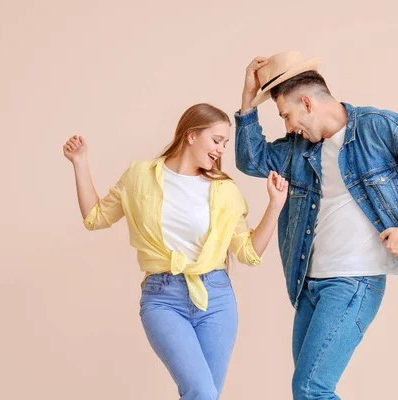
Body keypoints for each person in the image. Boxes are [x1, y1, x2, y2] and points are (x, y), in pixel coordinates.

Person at [234, 51, 398, 399]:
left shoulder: (377, 127)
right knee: (307, 392)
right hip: (308, 284)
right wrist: (248, 102)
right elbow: (252, 161)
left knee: (312, 389)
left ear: (308, 103)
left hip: (353, 280)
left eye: (286, 115)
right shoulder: (299, 149)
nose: (287, 127)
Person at [63, 103, 288, 400]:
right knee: (201, 391)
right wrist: (80, 163)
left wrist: (275, 205)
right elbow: (95, 217)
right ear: (191, 135)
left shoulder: (225, 190)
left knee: (206, 396)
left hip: (216, 299)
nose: (222, 149)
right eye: (216, 140)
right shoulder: (140, 175)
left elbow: (248, 253)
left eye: (225, 143)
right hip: (163, 297)